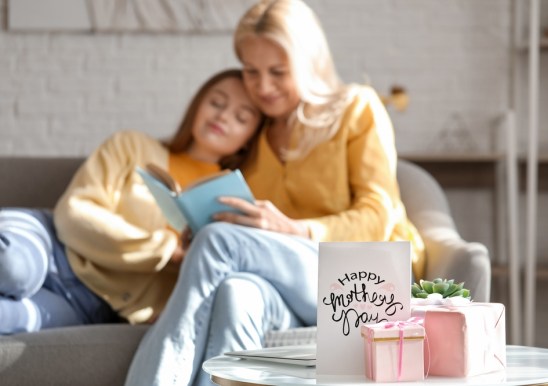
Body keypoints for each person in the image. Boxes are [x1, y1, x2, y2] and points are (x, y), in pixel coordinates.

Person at [124, 1, 426, 386]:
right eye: (251, 72)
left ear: (309, 61)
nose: (262, 87)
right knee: (236, 293)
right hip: (292, 290)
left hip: (366, 279)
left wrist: (296, 230)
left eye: (278, 72)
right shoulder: (255, 136)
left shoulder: (355, 108)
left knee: (220, 243)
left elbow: (376, 215)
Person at [0, 69, 263, 334]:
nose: (223, 116)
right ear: (197, 106)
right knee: (12, 267)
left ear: (249, 139)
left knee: (8, 318)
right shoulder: (131, 145)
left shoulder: (234, 202)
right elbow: (74, 213)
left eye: (241, 117)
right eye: (216, 103)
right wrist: (166, 250)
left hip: (90, 303)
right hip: (50, 242)